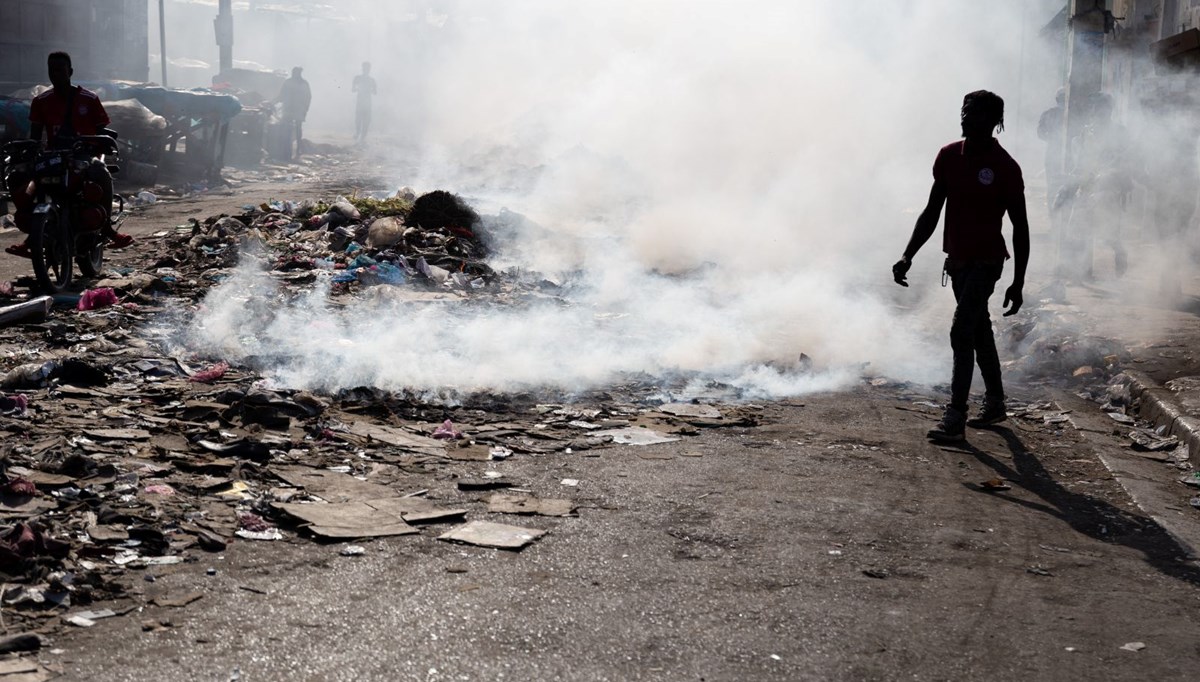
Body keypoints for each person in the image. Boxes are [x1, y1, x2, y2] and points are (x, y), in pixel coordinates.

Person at [892, 90, 1030, 443]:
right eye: (964, 112)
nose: (966, 118)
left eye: (975, 114)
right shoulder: (950, 156)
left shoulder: (1005, 168)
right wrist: (908, 254)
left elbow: (1021, 227)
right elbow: (932, 211)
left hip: (988, 262)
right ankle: (996, 401)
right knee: (978, 329)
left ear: (995, 122)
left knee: (960, 330)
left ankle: (955, 416)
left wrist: (1018, 282)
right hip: (957, 262)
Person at [4, 51, 132, 258]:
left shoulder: (89, 99)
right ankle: (32, 234)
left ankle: (108, 229)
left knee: (101, 170)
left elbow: (101, 131)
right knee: (17, 175)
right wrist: (26, 151)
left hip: (84, 158)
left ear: (70, 72)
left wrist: (102, 145)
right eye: (51, 70)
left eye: (60, 70)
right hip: (53, 158)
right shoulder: (41, 101)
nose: (55, 74)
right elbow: (36, 137)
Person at [1037, 88, 1067, 233]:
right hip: (1054, 154)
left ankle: (1059, 222)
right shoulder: (1050, 114)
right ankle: (1056, 222)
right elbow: (1041, 133)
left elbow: (1040, 133)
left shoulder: (1073, 114)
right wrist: (1055, 139)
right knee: (1054, 187)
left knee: (1059, 187)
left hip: (1067, 154)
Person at [278, 67, 311, 159]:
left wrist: (305, 109)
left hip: (298, 110)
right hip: (289, 109)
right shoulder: (289, 82)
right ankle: (287, 150)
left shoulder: (303, 84)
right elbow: (281, 95)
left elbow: (308, 98)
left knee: (297, 129)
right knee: (287, 128)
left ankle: (298, 149)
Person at [352, 62, 377, 143]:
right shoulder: (358, 78)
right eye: (365, 68)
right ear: (362, 68)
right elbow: (353, 89)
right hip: (360, 102)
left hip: (367, 103)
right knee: (358, 120)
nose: (366, 70)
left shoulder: (371, 80)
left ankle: (362, 138)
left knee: (366, 121)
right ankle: (358, 134)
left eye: (368, 68)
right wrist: (358, 89)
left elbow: (375, 92)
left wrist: (370, 90)